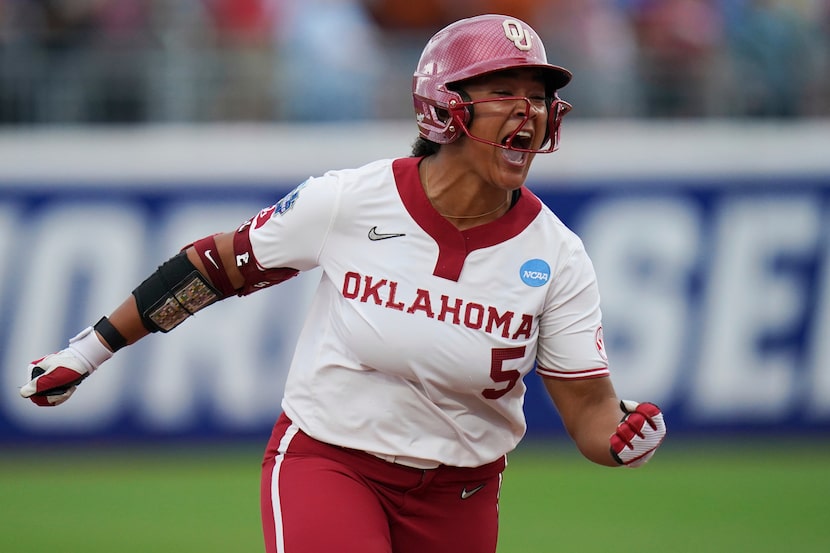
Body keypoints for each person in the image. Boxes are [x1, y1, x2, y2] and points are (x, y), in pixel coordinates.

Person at [20, 14, 666, 553]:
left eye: (538, 93)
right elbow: (214, 267)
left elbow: (588, 412)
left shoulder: (558, 255)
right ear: (444, 105)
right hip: (331, 460)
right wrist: (87, 350)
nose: (528, 109)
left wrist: (621, 440)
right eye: (504, 88)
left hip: (462, 492)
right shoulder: (352, 200)